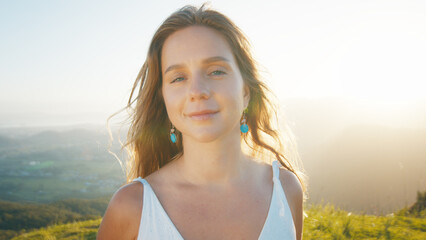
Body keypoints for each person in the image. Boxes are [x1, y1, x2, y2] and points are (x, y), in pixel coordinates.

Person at [97, 3, 308, 240]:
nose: (197, 90)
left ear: (246, 91)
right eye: (178, 78)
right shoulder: (131, 207)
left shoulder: (286, 190)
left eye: (216, 71)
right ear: (164, 98)